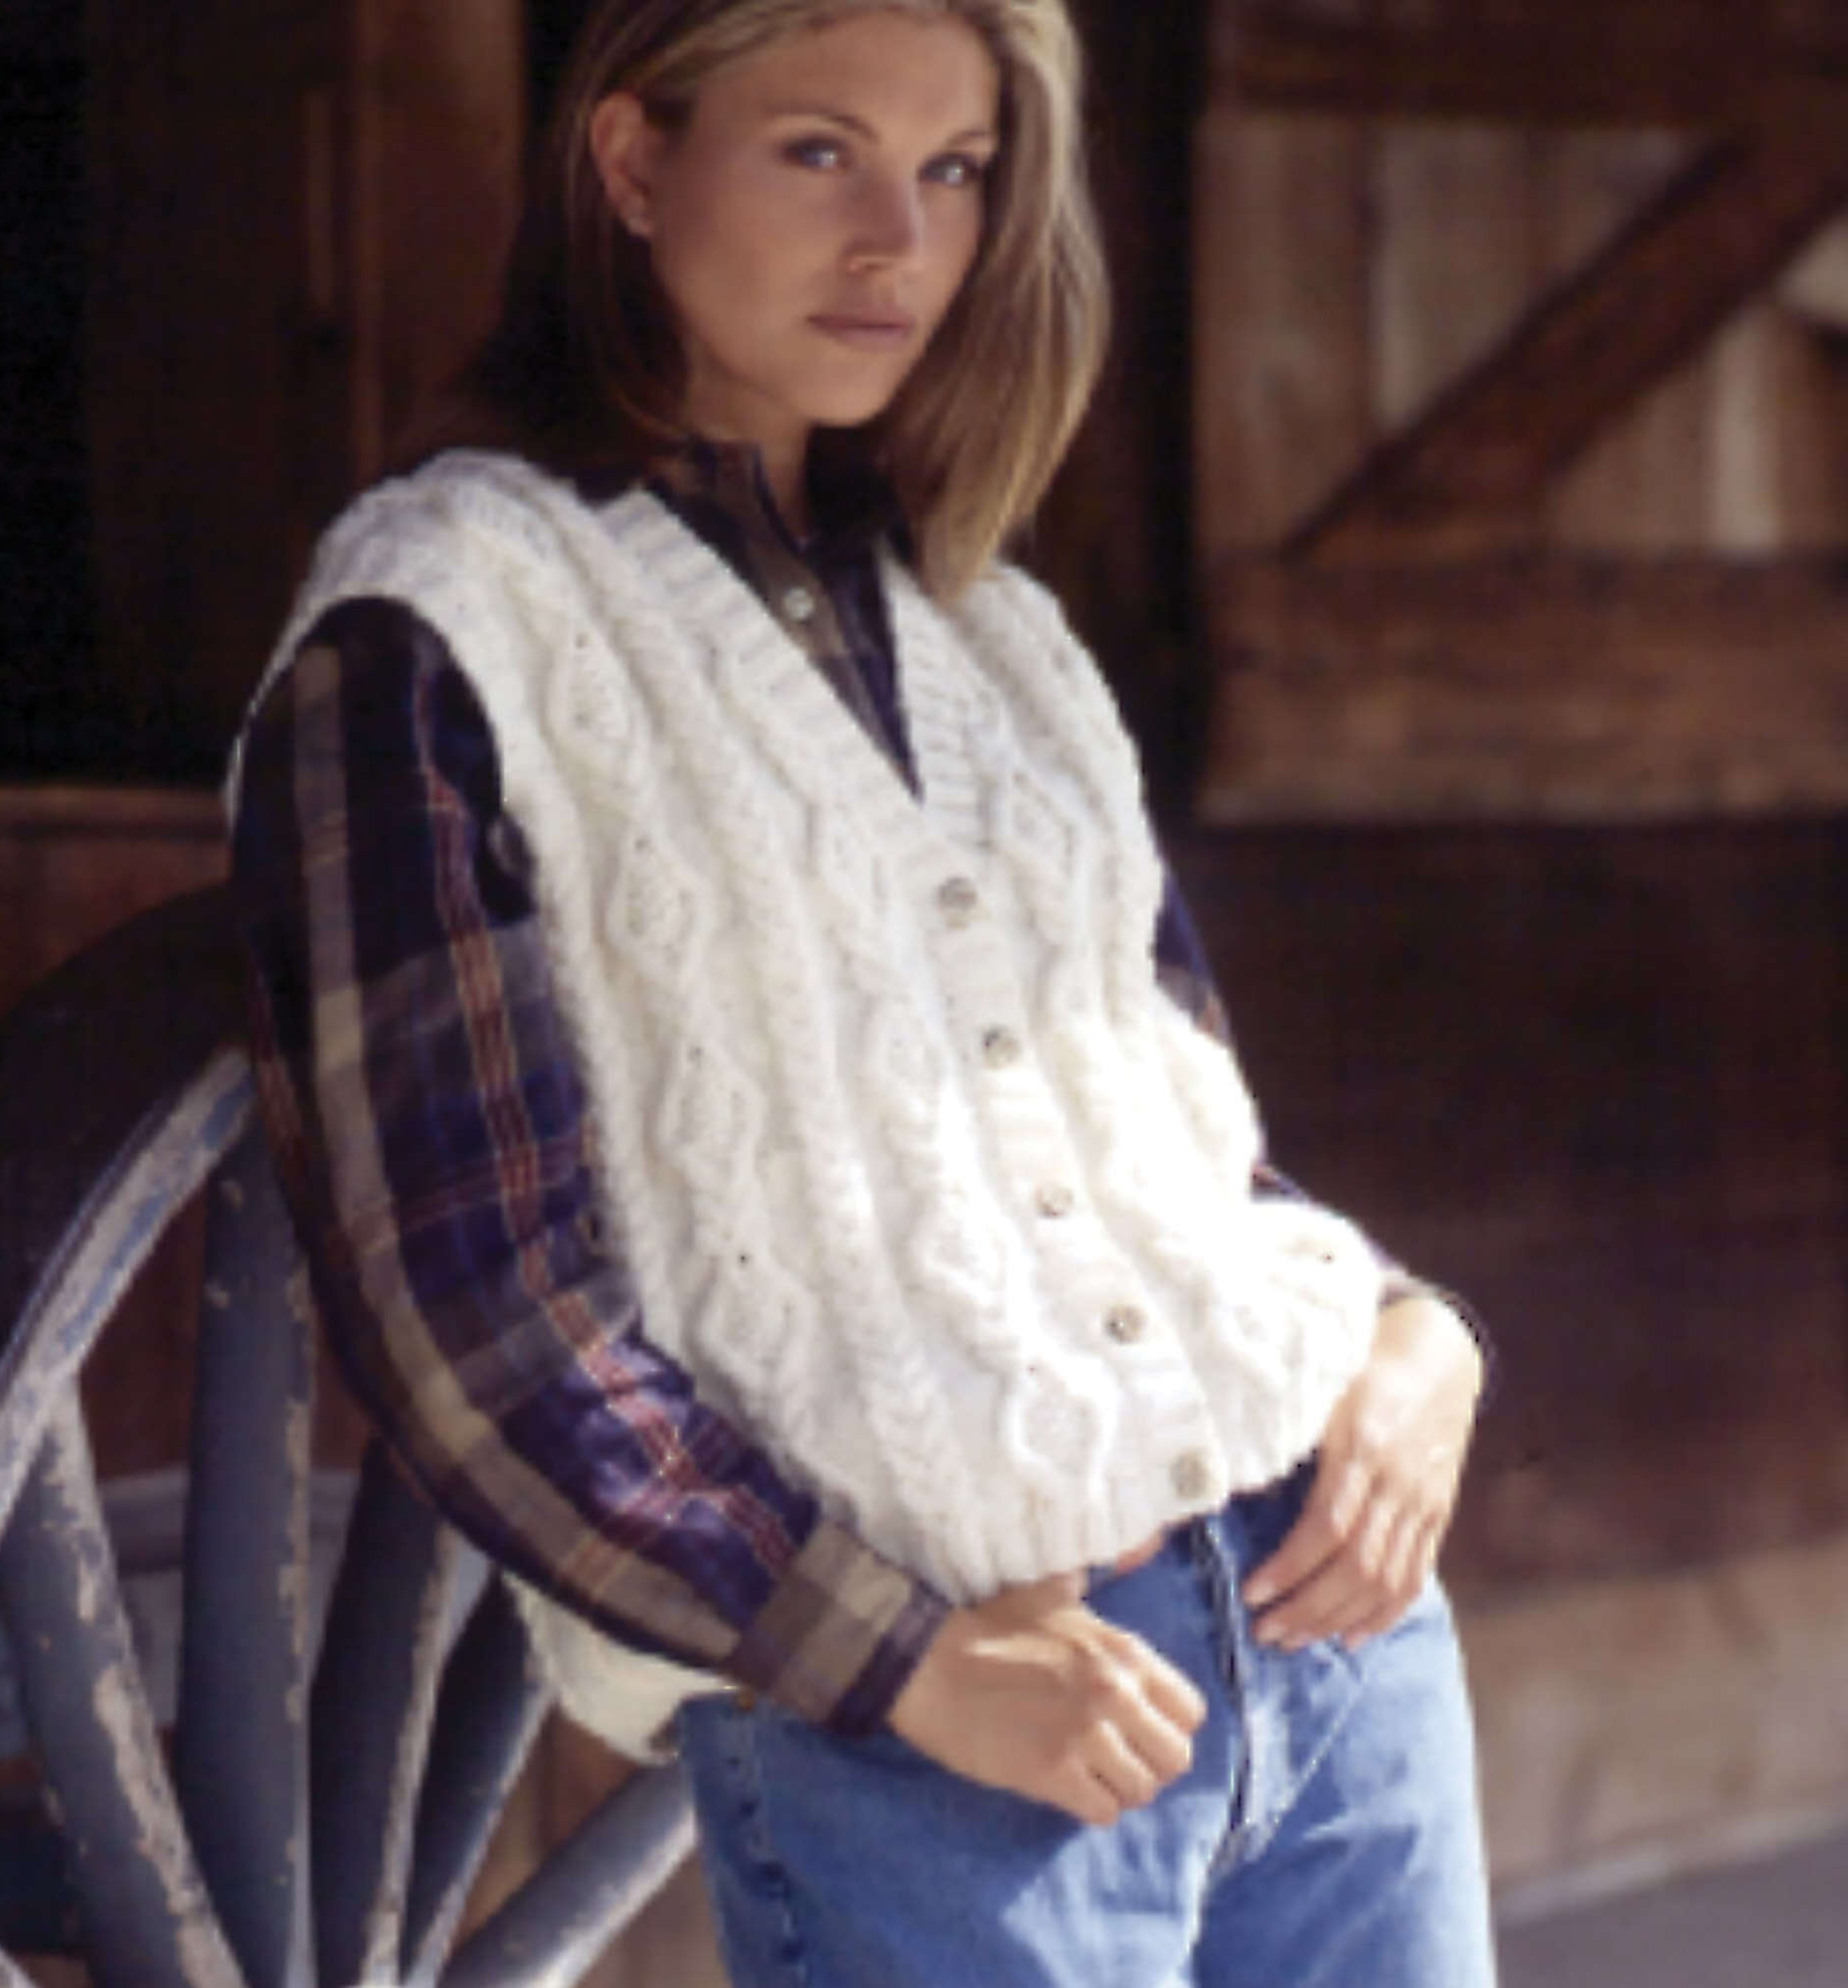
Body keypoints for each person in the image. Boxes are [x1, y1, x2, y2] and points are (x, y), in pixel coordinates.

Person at [228, 1, 1497, 1980]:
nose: (898, 243)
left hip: (1345, 1648)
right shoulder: (435, 631)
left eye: (955, 169)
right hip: (957, 1744)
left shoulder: (994, 632)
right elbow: (478, 1318)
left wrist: (1415, 1337)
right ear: (633, 161)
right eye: (819, 150)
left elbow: (1173, 1154)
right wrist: (900, 1665)